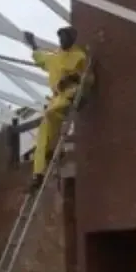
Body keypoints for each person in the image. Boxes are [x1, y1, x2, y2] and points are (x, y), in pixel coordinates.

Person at [24, 27, 89, 191]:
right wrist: (32, 44)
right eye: (60, 38)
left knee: (52, 115)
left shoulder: (79, 57)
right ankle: (38, 172)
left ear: (72, 39)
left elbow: (88, 78)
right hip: (56, 99)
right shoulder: (56, 56)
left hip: (69, 96)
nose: (62, 41)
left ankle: (51, 151)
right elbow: (41, 59)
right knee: (43, 133)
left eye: (65, 38)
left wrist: (73, 78)